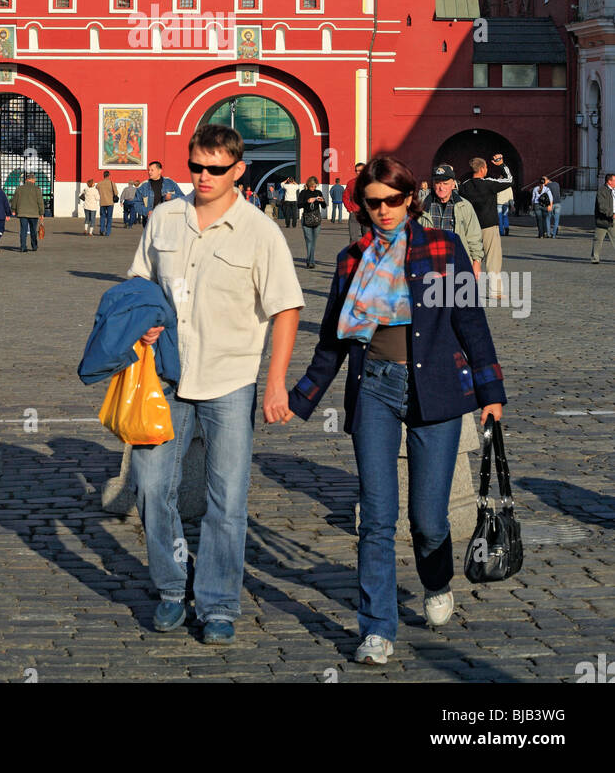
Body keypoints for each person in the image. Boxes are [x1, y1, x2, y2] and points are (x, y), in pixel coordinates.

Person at [289, 153, 506, 665]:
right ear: (362, 205)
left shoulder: (442, 248)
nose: (384, 210)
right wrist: (300, 397)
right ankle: (377, 627)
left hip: (438, 390)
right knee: (377, 517)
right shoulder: (351, 259)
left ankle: (435, 579)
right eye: (374, 202)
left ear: (410, 198)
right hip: (375, 391)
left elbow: (470, 321)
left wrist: (491, 392)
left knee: (429, 519)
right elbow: (331, 340)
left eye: (393, 200)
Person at [128, 123, 303, 645]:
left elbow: (287, 307)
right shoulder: (163, 219)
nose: (203, 177)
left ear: (238, 170)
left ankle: (220, 603)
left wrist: (276, 383)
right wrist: (144, 317)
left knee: (227, 499)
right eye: (196, 167)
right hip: (164, 375)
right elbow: (138, 281)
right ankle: (169, 586)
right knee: (151, 487)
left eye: (215, 169)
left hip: (230, 378)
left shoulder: (259, 231)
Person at [459, 158, 512, 300]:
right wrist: (501, 164)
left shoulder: (464, 186)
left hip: (470, 226)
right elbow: (509, 180)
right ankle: (495, 291)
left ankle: (467, 290)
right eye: (486, 167)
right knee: (493, 259)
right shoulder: (489, 184)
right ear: (482, 169)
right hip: (489, 225)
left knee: (471, 258)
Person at [418, 164, 482, 277]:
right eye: (438, 183)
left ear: (453, 184)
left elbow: (473, 236)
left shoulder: (464, 206)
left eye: (445, 183)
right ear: (433, 184)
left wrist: (476, 263)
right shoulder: (421, 206)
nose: (441, 187)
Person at [133, 160, 184, 225]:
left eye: (152, 170)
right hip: (150, 222)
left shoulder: (170, 183)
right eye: (148, 170)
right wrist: (147, 212)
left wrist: (172, 197)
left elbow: (182, 198)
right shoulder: (143, 186)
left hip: (169, 221)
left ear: (159, 171)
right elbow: (136, 203)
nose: (149, 172)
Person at [298, 177, 327, 269]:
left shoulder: (318, 192)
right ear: (309, 184)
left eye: (315, 186)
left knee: (313, 241)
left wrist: (322, 202)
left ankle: (310, 260)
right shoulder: (303, 192)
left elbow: (324, 207)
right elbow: (299, 205)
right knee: (309, 240)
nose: (314, 187)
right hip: (306, 219)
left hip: (316, 219)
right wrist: (307, 201)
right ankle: (311, 261)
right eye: (312, 186)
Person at [11, 172, 44, 252]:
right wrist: (41, 213)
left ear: (26, 180)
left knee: (23, 230)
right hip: (34, 213)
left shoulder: (19, 188)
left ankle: (23, 247)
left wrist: (13, 209)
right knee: (33, 230)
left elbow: (14, 200)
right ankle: (34, 246)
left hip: (22, 213)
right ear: (33, 180)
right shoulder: (37, 189)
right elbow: (40, 202)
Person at [591, 173, 615, 263]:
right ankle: (595, 258)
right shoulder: (602, 191)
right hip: (603, 219)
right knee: (598, 240)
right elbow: (602, 206)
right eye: (614, 180)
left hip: (613, 220)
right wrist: (611, 214)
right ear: (609, 181)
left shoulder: (613, 190)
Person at [490, 153, 513, 236]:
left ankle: (501, 231)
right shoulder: (508, 186)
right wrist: (512, 204)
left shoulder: (498, 184)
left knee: (499, 217)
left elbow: (496, 193)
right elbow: (511, 195)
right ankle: (506, 227)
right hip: (506, 202)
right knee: (505, 216)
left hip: (499, 202)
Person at [343, 162, 366, 241]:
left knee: (367, 239)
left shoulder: (370, 182)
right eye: (356, 171)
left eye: (360, 170)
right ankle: (353, 253)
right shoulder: (351, 183)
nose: (358, 172)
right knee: (353, 239)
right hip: (354, 214)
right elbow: (345, 197)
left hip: (366, 214)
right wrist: (350, 209)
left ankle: (365, 253)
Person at [97, 170, 119, 236]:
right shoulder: (112, 183)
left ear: (103, 175)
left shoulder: (99, 183)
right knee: (109, 217)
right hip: (110, 202)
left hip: (102, 202)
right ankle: (108, 232)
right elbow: (116, 193)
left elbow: (96, 190)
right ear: (109, 175)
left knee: (102, 217)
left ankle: (102, 230)